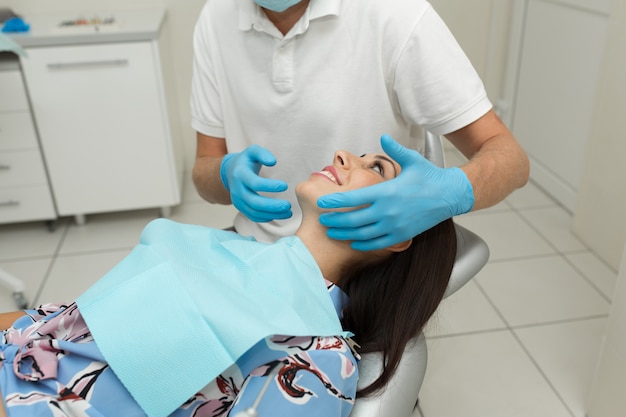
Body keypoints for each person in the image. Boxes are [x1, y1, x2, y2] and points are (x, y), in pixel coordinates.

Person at [0, 143, 456, 417]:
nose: (342, 153)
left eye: (377, 169)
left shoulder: (317, 356)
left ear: (399, 234)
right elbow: (73, 323)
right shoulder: (236, 252)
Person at [191, 0, 530, 249]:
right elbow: (204, 169)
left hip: (357, 260)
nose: (339, 157)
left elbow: (510, 158)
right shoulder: (215, 17)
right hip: (256, 251)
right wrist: (224, 174)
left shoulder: (395, 14)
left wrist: (453, 191)